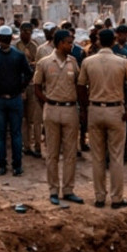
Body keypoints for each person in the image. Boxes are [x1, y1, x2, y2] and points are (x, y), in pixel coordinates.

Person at [78, 28, 127, 209]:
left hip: (95, 109)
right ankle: (116, 198)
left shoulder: (88, 62)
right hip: (115, 110)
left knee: (97, 157)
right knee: (116, 157)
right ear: (113, 41)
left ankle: (99, 197)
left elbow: (80, 87)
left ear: (98, 41)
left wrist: (85, 108)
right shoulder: (122, 61)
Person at [33, 29, 83, 206]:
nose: (71, 45)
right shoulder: (45, 63)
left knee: (70, 153)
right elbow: (37, 86)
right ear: (60, 43)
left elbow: (78, 85)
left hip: (70, 110)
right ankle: (53, 190)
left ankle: (68, 190)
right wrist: (46, 102)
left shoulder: (73, 62)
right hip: (52, 109)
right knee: (52, 153)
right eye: (69, 42)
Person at [0, 24, 32, 177]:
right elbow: (29, 73)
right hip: (14, 98)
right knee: (16, 134)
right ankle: (17, 166)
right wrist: (21, 87)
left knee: (1, 134)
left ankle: (2, 165)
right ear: (11, 38)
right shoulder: (19, 55)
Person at [15, 22, 42, 159]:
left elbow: (37, 64)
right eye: (24, 31)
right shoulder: (15, 46)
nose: (26, 34)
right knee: (23, 118)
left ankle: (37, 146)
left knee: (35, 118)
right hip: (19, 84)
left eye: (29, 32)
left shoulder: (35, 47)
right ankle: (26, 146)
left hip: (32, 84)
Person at [111, 24, 127, 164]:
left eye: (125, 34)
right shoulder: (112, 49)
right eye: (120, 34)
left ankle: (126, 151)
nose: (123, 36)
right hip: (113, 88)